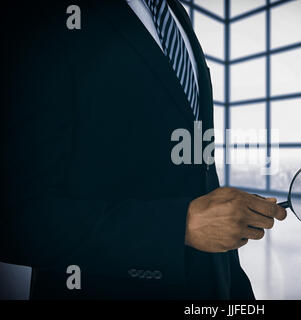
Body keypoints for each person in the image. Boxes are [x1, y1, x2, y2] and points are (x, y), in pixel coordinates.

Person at [0, 0, 286, 299]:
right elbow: (15, 218)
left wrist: (234, 290)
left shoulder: (174, 14)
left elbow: (198, 176)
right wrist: (179, 226)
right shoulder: (41, 15)